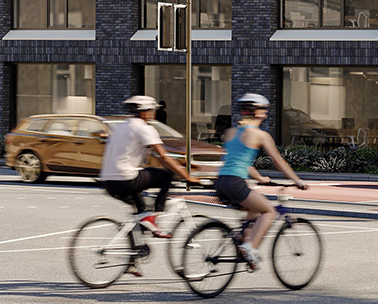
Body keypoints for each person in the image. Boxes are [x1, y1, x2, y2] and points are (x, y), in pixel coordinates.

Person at [213, 92, 308, 267]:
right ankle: (250, 247)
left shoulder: (230, 132)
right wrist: (297, 180)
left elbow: (239, 160)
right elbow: (278, 161)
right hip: (235, 183)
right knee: (269, 211)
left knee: (254, 212)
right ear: (256, 112)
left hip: (220, 182)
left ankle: (243, 238)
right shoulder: (260, 135)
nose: (265, 114)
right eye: (264, 110)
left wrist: (260, 178)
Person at [99, 95, 201, 241]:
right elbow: (164, 156)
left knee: (141, 213)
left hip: (108, 181)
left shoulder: (120, 127)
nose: (154, 113)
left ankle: (136, 249)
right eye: (152, 110)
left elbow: (145, 153)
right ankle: (156, 213)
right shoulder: (144, 128)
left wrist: (181, 164)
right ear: (144, 112)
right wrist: (186, 176)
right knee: (166, 176)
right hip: (126, 178)